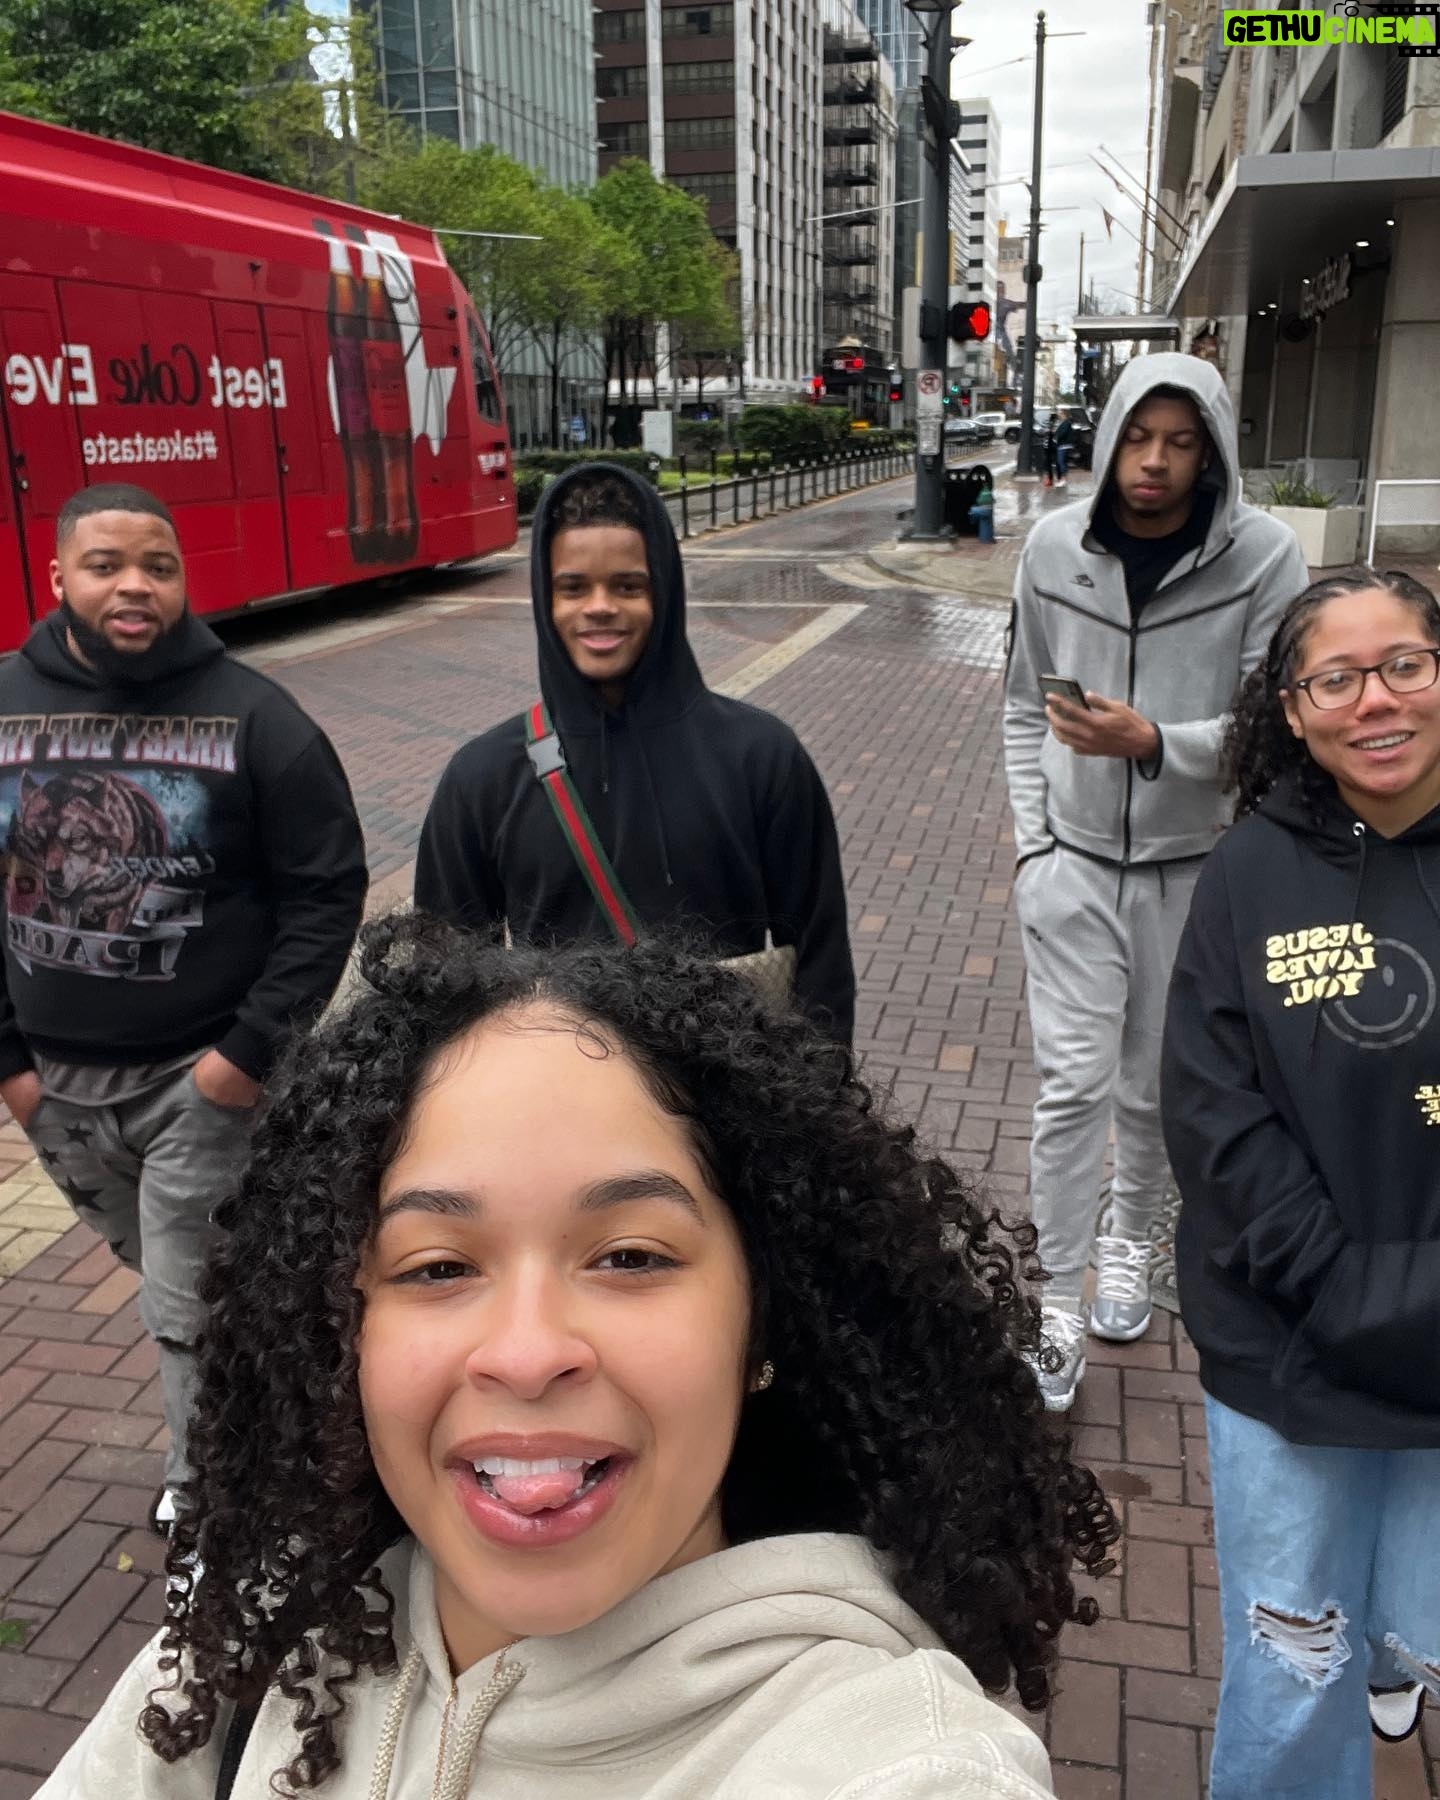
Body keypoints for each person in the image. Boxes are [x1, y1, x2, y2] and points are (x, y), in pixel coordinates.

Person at [38, 917, 1119, 1798]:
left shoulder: (893, 1762)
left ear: (763, 1324)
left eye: (631, 1256)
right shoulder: (252, 1648)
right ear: (342, 1329)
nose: (525, 1353)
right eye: (436, 1267)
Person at [0, 483, 367, 1525]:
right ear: (58, 576)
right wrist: (10, 1067)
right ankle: (293, 1395)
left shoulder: (255, 716)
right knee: (202, 1284)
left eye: (157, 566)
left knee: (184, 1305)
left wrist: (242, 1058)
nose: (135, 585)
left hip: (198, 1086)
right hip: (55, 1091)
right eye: (107, 564)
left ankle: (206, 1499)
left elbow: (326, 889)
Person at [1162, 568, 1440, 1797]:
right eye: (1338, 679)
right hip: (1289, 1345)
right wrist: (1339, 1286)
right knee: (1295, 1672)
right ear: (1292, 707)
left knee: (1426, 1635)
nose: (1376, 700)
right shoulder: (1248, 872)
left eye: (1405, 665)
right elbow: (1213, 1112)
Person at [1002, 353, 1308, 1409]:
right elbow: (1020, 706)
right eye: (1138, 437)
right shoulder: (1053, 549)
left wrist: (1156, 745)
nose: (1155, 462)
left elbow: (1276, 727)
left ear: (1211, 451)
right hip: (1074, 867)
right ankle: (1053, 1297)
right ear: (1109, 439)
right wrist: (1034, 846)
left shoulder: (1265, 558)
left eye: (1181, 442)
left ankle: (1128, 1242)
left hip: (1195, 870)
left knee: (1154, 1087)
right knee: (1072, 1087)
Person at [416, 463, 855, 1043]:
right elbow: (440, 985)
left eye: (628, 586)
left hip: (724, 1088)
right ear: (546, 600)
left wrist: (817, 1088)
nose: (599, 606)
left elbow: (821, 961)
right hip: (557, 1087)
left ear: (663, 592)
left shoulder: (762, 756)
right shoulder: (484, 777)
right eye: (573, 588)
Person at [1051, 411, 1075, 488]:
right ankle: (1062, 479)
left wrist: (1056, 438)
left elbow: (1062, 433)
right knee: (1061, 462)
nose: (1059, 415)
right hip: (1062, 445)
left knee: (1061, 461)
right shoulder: (1064, 422)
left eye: (1060, 414)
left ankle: (1063, 479)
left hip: (1064, 445)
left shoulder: (1066, 423)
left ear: (1064, 414)